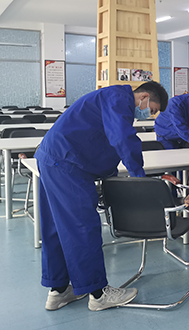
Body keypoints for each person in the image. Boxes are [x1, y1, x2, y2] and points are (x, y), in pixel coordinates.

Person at [34, 81, 169, 312]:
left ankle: (59, 290)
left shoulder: (110, 97)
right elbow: (122, 138)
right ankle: (98, 294)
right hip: (67, 164)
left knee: (57, 228)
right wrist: (139, 177)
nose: (148, 115)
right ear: (144, 97)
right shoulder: (120, 99)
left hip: (52, 158)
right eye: (152, 109)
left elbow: (101, 141)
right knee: (82, 227)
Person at [154, 85, 189, 149]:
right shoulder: (175, 104)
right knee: (171, 155)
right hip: (167, 136)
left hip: (183, 137)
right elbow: (180, 126)